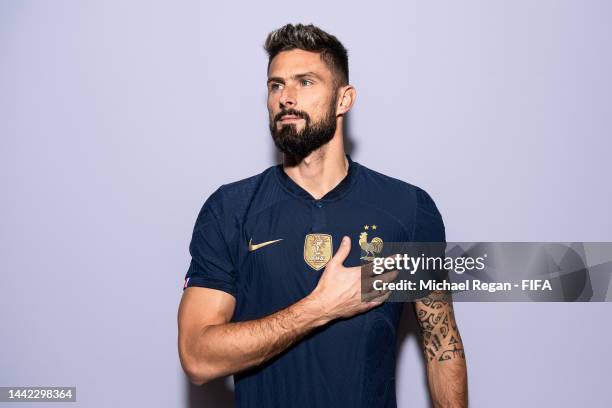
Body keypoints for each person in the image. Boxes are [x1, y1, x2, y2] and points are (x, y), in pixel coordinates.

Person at [178, 23, 468, 407]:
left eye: (306, 82)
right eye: (276, 85)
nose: (286, 97)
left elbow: (441, 347)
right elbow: (198, 356)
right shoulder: (230, 209)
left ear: (344, 99)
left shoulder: (406, 208)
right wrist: (320, 307)